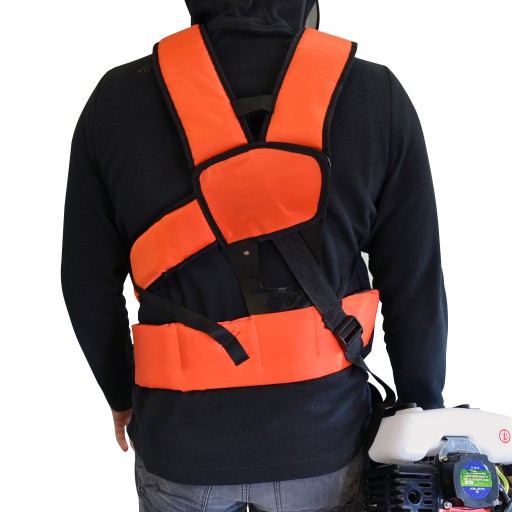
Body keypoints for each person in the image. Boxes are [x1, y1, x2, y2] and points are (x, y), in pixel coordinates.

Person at [61, 0, 448, 510]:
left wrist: (120, 394)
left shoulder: (116, 100)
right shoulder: (375, 94)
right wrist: (423, 408)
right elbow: (414, 282)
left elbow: (86, 282)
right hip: (325, 439)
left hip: (181, 443)